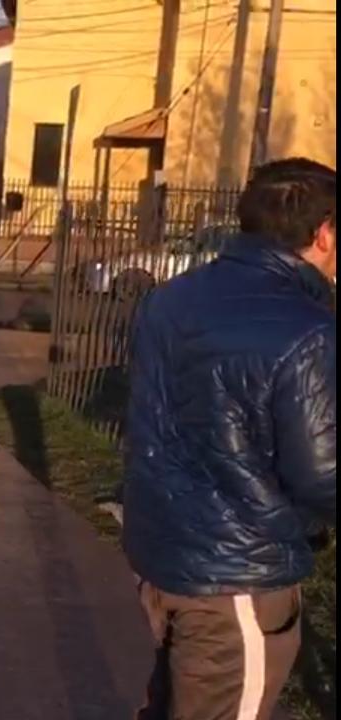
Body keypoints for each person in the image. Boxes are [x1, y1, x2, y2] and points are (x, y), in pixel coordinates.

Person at [123, 158, 336, 720]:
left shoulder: (169, 299)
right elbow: (322, 473)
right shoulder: (307, 330)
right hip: (236, 577)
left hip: (162, 553)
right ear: (324, 233)